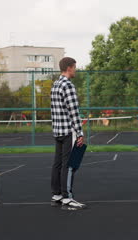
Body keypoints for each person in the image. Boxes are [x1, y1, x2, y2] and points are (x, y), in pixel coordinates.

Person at [50, 57, 86, 210]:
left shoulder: (55, 85)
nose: (75, 70)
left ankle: (56, 194)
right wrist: (79, 132)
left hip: (57, 130)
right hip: (68, 131)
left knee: (57, 164)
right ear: (69, 68)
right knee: (69, 165)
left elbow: (54, 110)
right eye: (75, 67)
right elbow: (74, 111)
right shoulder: (68, 86)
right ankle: (67, 197)